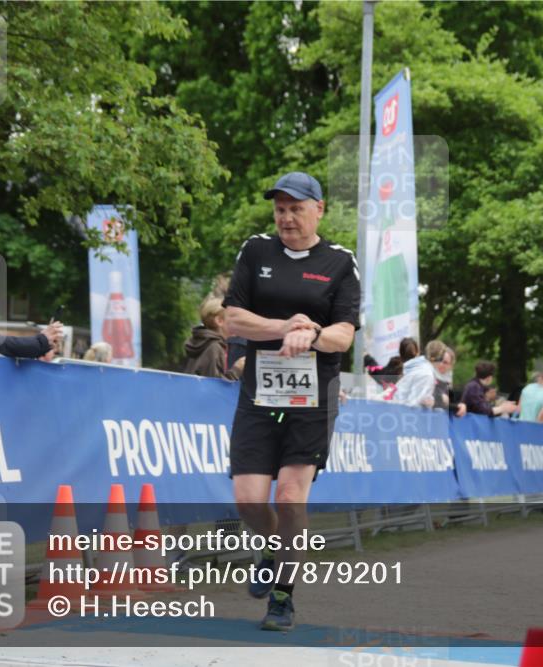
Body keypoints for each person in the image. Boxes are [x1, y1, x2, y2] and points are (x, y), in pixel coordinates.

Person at [222, 171, 359, 631]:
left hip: (312, 399)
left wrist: (313, 333)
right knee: (247, 500)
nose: (286, 217)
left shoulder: (340, 262)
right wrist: (285, 327)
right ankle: (271, 549)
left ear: (319, 208)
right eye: (280, 208)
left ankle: (282, 595)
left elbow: (343, 335)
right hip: (259, 395)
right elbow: (233, 319)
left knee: (289, 495)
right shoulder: (255, 250)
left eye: (296, 208)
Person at [184, 297, 244, 380]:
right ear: (219, 321)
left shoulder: (202, 342)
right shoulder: (214, 347)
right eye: (232, 317)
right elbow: (215, 386)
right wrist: (237, 369)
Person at [392, 338, 436, 408]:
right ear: (418, 352)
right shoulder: (424, 372)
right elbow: (414, 404)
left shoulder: (401, 372)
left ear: (400, 354)